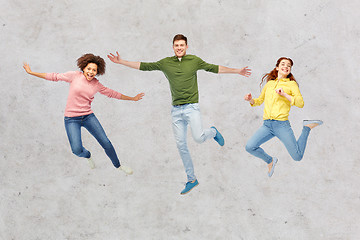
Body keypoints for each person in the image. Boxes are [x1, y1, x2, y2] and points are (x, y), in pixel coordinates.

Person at [108, 34, 251, 194]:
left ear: (187, 46)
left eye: (182, 45)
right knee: (181, 145)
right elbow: (144, 66)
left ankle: (213, 131)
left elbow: (214, 68)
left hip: (192, 108)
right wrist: (121, 61)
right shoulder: (165, 63)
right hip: (176, 110)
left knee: (198, 138)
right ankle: (192, 179)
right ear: (173, 47)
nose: (179, 48)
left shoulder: (194, 60)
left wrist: (237, 71)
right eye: (176, 45)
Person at [23, 53, 144, 175]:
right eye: (89, 69)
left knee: (106, 143)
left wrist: (132, 98)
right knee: (76, 150)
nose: (91, 72)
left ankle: (118, 166)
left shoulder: (96, 84)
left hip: (88, 117)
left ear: (98, 72)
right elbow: (54, 76)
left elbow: (113, 93)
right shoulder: (74, 76)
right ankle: (88, 156)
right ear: (84, 68)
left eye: (94, 70)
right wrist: (31, 72)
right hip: (71, 119)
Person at [244, 57, 323, 177]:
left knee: (297, 156)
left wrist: (284, 94)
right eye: (283, 64)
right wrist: (251, 100)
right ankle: (270, 160)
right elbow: (259, 101)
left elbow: (300, 103)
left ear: (290, 70)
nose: (286, 66)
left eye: (289, 66)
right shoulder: (269, 84)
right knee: (250, 147)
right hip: (267, 125)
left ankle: (306, 127)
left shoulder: (291, 84)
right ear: (277, 67)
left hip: (281, 125)